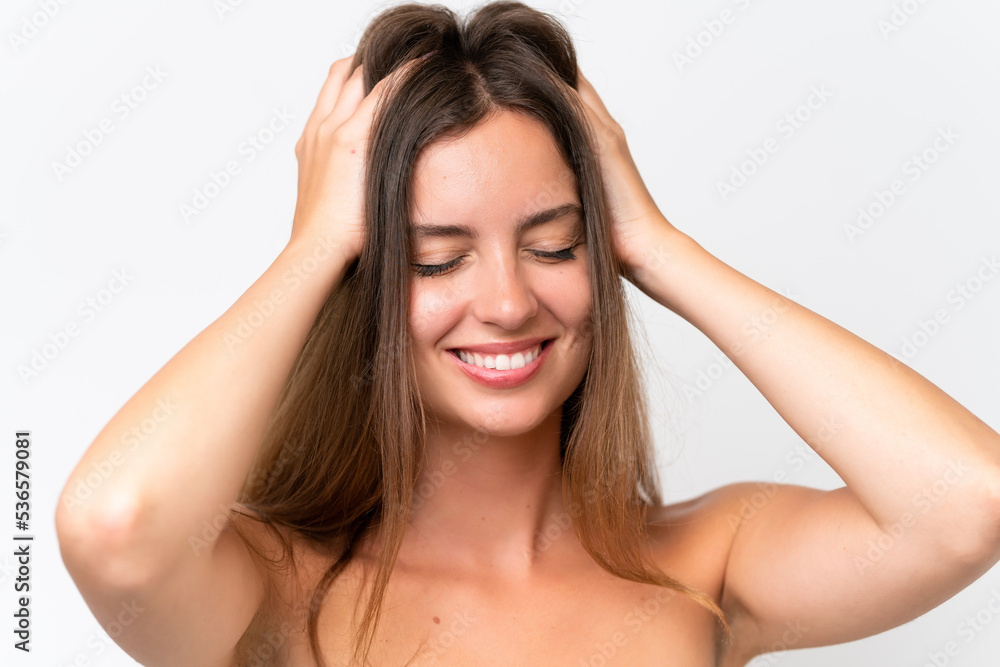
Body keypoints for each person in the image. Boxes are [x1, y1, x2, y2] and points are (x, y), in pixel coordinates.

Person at [55, 2, 1000, 666]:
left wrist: (658, 247)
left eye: (553, 244)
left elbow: (968, 501)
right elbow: (114, 527)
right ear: (367, 282)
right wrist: (315, 249)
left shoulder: (705, 564)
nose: (507, 303)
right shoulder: (274, 585)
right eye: (436, 259)